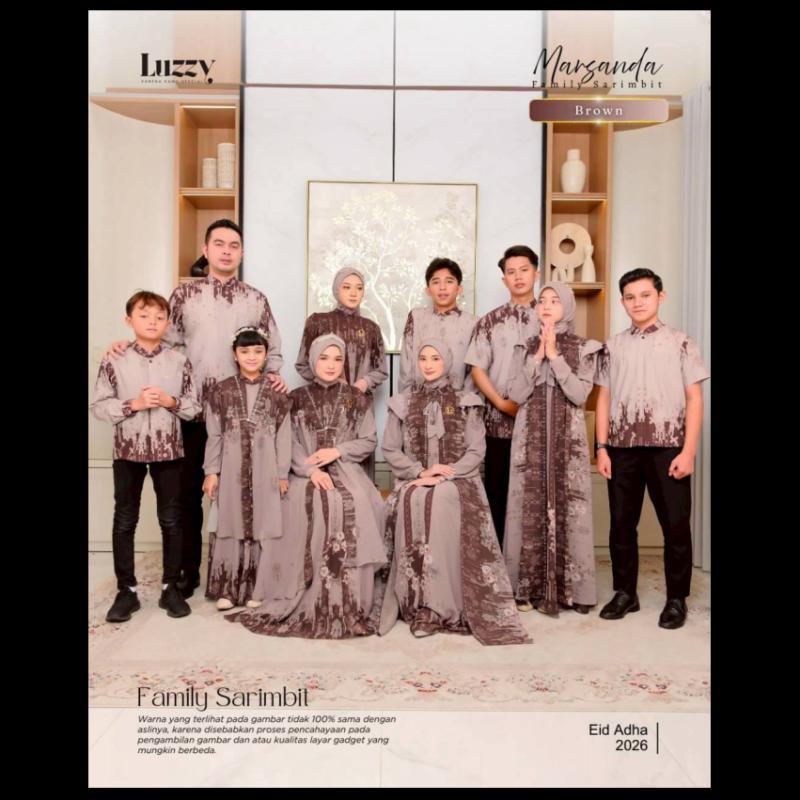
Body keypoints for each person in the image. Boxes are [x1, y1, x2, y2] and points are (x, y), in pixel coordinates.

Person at [103, 219, 287, 598]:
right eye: (218, 244)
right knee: (187, 496)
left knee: (238, 493)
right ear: (206, 250)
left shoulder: (255, 298)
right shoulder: (184, 295)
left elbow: (271, 349)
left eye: (233, 245)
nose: (226, 251)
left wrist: (274, 376)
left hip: (239, 418)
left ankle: (237, 572)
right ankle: (188, 573)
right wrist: (124, 346)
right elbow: (159, 340)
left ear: (241, 253)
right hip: (190, 411)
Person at [232, 334, 387, 639]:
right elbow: (286, 442)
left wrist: (337, 451)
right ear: (313, 361)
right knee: (303, 500)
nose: (331, 365)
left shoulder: (358, 399)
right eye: (324, 358)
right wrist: (310, 469)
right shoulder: (296, 398)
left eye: (337, 359)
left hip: (346, 469)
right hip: (304, 470)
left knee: (355, 500)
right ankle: (295, 586)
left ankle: (352, 595)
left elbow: (369, 440)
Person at [378, 338, 529, 645]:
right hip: (416, 478)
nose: (429, 364)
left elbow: (476, 450)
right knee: (410, 498)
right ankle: (412, 599)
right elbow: (390, 449)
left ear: (447, 361)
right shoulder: (402, 402)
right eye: (423, 358)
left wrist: (447, 472)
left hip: (459, 480)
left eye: (435, 358)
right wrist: (420, 472)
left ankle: (440, 603)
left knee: (440, 499)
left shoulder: (466, 401)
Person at [595, 268, 710, 630]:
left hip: (668, 448)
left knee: (675, 526)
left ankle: (676, 598)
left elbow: (695, 398)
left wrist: (688, 451)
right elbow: (604, 398)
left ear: (661, 297)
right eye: (630, 297)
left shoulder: (681, 342)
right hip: (622, 448)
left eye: (645, 295)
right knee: (620, 525)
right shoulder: (613, 346)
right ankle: (625, 593)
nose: (638, 303)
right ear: (622, 302)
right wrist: (601, 447)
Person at [91, 291, 199, 622]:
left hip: (169, 450)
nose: (152, 322)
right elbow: (98, 406)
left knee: (172, 519)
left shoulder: (179, 361)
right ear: (129, 320)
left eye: (159, 317)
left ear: (167, 323)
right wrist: (133, 405)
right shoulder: (114, 360)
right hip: (128, 450)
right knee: (125, 519)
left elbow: (194, 407)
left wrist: (170, 402)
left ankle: (170, 588)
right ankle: (127, 591)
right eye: (144, 315)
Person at [504, 282, 602, 616]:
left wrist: (556, 357)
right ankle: (527, 587)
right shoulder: (524, 347)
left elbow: (579, 395)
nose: (546, 305)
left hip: (567, 443)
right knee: (527, 508)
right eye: (542, 300)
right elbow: (516, 395)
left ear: (568, 306)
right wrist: (537, 358)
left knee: (570, 508)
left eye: (555, 300)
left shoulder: (585, 348)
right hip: (529, 441)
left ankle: (574, 591)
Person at [202, 326, 292, 610]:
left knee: (263, 523)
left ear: (266, 355)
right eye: (245, 351)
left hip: (266, 469)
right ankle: (228, 589)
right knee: (230, 522)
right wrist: (211, 471)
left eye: (257, 351)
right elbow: (214, 434)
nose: (251, 356)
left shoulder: (278, 392)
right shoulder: (220, 391)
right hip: (231, 469)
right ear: (235, 354)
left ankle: (259, 588)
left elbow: (284, 436)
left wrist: (282, 473)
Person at [465, 244, 540, 548]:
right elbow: (477, 368)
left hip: (539, 425)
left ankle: (533, 564)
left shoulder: (551, 317)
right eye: (511, 272)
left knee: (536, 496)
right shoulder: (489, 321)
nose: (518, 277)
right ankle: (497, 563)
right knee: (498, 493)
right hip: (498, 423)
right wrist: (500, 403)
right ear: (504, 279)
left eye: (524, 270)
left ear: (536, 273)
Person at [398, 257, 478, 392]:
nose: (442, 287)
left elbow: (474, 374)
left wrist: (464, 402)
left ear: (459, 289)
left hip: (457, 401)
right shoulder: (416, 318)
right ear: (428, 290)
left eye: (449, 281)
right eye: (436, 282)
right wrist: (408, 400)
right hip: (417, 399)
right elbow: (406, 366)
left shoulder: (473, 323)